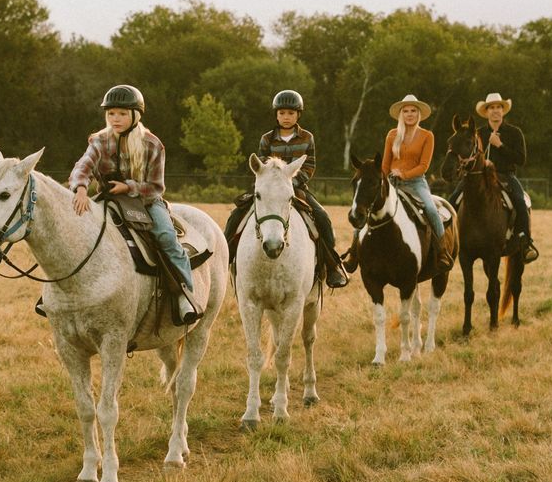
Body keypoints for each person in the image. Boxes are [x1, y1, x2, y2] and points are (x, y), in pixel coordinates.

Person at [68, 85, 202, 326]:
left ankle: (185, 295)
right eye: (111, 114)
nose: (115, 119)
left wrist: (128, 187)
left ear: (135, 115)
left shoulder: (153, 145)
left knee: (166, 237)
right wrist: (79, 188)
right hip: (109, 200)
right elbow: (83, 166)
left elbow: (156, 187)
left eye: (122, 113)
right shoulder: (99, 141)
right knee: (73, 230)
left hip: (146, 202)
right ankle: (59, 296)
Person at [222, 90, 348, 287]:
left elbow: (310, 164)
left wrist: (292, 182)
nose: (286, 117)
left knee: (322, 217)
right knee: (237, 214)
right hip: (270, 188)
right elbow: (262, 166)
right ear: (276, 115)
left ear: (298, 115)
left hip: (295, 187)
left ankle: (333, 267)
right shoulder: (266, 139)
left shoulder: (307, 138)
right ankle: (224, 259)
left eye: (290, 113)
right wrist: (273, 182)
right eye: (282, 113)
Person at [378, 94, 448, 250]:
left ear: (419, 114)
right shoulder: (392, 134)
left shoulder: (427, 136)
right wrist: (382, 180)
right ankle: (355, 251)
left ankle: (443, 250)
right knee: (370, 206)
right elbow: (385, 164)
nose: (409, 114)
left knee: (431, 209)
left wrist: (404, 174)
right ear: (401, 114)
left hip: (416, 183)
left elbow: (424, 166)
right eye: (406, 111)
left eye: (413, 111)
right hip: (391, 182)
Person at [475, 91, 538, 262]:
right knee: (455, 197)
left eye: (498, 107)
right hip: (482, 176)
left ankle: (526, 243)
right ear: (486, 112)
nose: (495, 111)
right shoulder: (478, 133)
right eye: (492, 108)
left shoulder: (514, 132)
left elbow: (521, 159)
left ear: (503, 111)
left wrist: (500, 145)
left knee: (520, 201)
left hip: (506, 176)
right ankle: (453, 241)